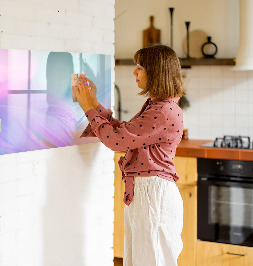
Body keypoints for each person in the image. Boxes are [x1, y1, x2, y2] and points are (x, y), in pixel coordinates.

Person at [73, 44, 185, 266]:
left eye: (140, 67)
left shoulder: (162, 111)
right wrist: (94, 103)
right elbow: (124, 133)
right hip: (148, 193)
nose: (134, 72)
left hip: (153, 195)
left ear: (156, 72)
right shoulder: (158, 106)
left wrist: (88, 108)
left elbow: (116, 141)